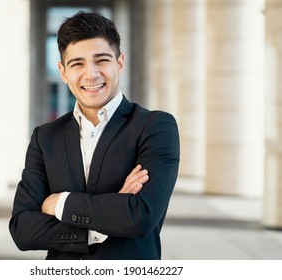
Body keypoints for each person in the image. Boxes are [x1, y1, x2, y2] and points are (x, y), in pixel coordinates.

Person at [9, 11, 180, 260]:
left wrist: (59, 204)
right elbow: (22, 229)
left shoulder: (155, 127)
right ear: (63, 71)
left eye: (101, 60)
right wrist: (106, 219)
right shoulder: (45, 138)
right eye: (77, 64)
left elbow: (141, 216)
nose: (91, 74)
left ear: (119, 62)